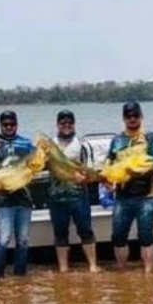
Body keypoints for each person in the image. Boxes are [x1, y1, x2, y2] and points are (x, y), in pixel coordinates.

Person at [104, 102, 153, 274]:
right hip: (122, 196)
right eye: (128, 116)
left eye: (135, 116)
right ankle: (122, 272)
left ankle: (148, 275)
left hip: (147, 196)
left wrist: (141, 171)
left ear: (141, 116)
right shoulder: (117, 141)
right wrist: (106, 179)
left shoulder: (151, 138)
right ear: (124, 118)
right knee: (118, 236)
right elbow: (109, 163)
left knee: (146, 235)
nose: (132, 119)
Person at [0, 110, 34, 278]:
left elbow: (36, 165)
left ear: (16, 124)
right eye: (6, 124)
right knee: (3, 239)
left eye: (12, 124)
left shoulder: (26, 143)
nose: (9, 127)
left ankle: (20, 279)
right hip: (3, 200)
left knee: (23, 240)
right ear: (0, 125)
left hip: (23, 199)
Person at [48, 110, 98, 273]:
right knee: (60, 234)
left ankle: (92, 266)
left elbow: (90, 171)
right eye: (63, 123)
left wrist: (84, 178)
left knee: (86, 230)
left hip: (78, 196)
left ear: (74, 124)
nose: (66, 125)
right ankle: (63, 268)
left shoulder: (82, 145)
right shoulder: (49, 146)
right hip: (56, 197)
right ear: (57, 125)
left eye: (69, 122)